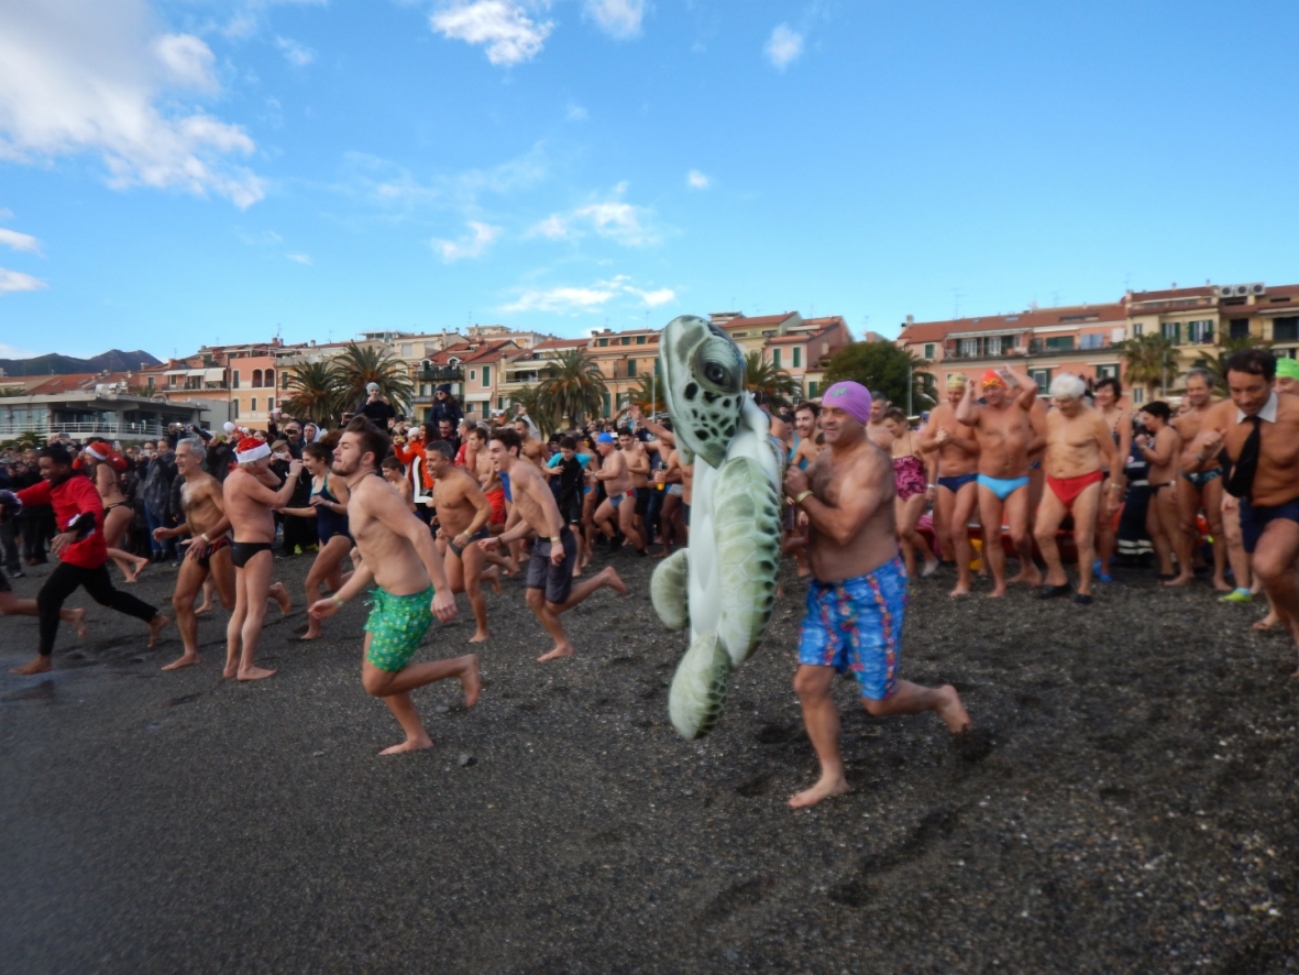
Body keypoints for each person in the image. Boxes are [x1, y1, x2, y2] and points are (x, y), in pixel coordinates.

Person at [782, 382, 970, 809]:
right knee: (809, 684)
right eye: (825, 410)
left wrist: (801, 493)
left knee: (878, 701)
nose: (828, 419)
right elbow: (792, 497)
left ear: (861, 417)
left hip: (871, 589)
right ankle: (833, 776)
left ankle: (941, 697)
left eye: (839, 413)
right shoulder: (826, 458)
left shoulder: (871, 464)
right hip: (825, 591)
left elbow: (844, 528)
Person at [307, 418, 477, 754]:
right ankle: (417, 737)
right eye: (338, 446)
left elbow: (419, 532)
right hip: (387, 598)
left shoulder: (372, 492)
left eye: (346, 447)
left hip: (409, 602)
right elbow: (373, 556)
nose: (336, 452)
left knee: (375, 682)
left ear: (367, 458)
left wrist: (443, 589)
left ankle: (462, 665)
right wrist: (339, 599)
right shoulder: (359, 494)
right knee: (381, 672)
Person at [3, 446, 170, 675]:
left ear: (62, 467)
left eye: (45, 467)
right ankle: (154, 617)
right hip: (85, 550)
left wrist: (72, 532)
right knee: (105, 595)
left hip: (83, 550)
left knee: (48, 598)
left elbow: (93, 509)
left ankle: (44, 658)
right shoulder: (54, 484)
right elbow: (20, 497)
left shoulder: (78, 484)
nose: (41, 472)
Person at [1185, 350, 1299, 674]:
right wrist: (1202, 453)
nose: (1245, 398)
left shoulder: (1295, 412)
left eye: (1254, 390)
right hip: (1251, 506)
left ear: (1272, 382)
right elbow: (1186, 463)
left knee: (1269, 565)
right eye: (1236, 390)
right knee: (1280, 576)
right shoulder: (1219, 416)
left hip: (1292, 502)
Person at [478, 427, 627, 662]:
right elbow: (530, 519)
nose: (491, 456)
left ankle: (604, 578)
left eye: (496, 451)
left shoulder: (521, 473)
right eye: (490, 451)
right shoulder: (513, 474)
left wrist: (557, 543)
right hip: (542, 542)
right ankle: (563, 645)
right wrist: (499, 539)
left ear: (512, 450)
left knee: (555, 604)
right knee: (533, 598)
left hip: (558, 541)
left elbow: (548, 503)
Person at [149, 437, 240, 670]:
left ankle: (271, 590)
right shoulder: (183, 485)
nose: (176, 459)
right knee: (181, 600)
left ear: (198, 459)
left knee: (230, 602)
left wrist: (206, 538)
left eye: (182, 455)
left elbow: (230, 516)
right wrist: (171, 532)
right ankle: (191, 653)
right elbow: (195, 522)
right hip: (197, 544)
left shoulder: (210, 483)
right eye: (177, 455)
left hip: (218, 544)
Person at [1032, 374, 1120, 605]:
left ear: (1080, 397)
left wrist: (1114, 490)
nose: (1060, 405)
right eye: (1057, 400)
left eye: (1066, 401)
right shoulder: (1052, 417)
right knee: (1042, 532)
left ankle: (1085, 587)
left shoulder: (1094, 420)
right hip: (1055, 480)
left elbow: (1113, 455)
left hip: (1086, 480)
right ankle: (1060, 580)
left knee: (1083, 537)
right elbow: (1047, 449)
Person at [956, 367, 1043, 597]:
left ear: (1004, 388)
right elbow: (961, 416)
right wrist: (968, 390)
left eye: (995, 387)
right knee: (992, 534)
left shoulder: (1020, 406)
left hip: (1017, 480)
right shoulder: (979, 413)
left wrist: (1012, 372)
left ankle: (1028, 565)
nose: (992, 393)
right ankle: (1000, 584)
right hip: (988, 480)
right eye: (987, 389)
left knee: (1019, 535)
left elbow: (1032, 386)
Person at [222, 437, 301, 680]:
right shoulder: (245, 480)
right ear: (254, 460)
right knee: (257, 610)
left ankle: (232, 664)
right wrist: (294, 474)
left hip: (241, 546)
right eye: (267, 457)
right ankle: (246, 667)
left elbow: (273, 481)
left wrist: (264, 466)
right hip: (255, 548)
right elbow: (279, 500)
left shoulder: (236, 477)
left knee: (241, 610)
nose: (271, 460)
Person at [277, 441, 354, 642]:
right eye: (303, 460)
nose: (305, 464)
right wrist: (286, 510)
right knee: (336, 584)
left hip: (339, 534)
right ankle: (370, 569)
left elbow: (350, 507)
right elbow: (314, 511)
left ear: (321, 459)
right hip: (324, 535)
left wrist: (327, 502)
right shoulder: (314, 480)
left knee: (311, 583)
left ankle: (314, 629)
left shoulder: (334, 478)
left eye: (308, 460)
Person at [425, 440, 497, 643]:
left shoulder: (463, 481)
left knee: (471, 586)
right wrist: (441, 524)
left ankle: (483, 630)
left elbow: (486, 509)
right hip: (452, 539)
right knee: (454, 586)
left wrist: (467, 533)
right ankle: (489, 574)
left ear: (446, 460)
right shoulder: (438, 480)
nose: (428, 464)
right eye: (426, 460)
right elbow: (449, 507)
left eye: (432, 460)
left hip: (473, 536)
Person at [918, 373, 981, 597]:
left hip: (969, 476)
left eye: (958, 393)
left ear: (966, 393)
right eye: (951, 393)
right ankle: (970, 564)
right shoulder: (938, 412)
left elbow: (979, 448)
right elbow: (923, 446)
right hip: (945, 478)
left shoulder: (974, 412)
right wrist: (937, 442)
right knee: (944, 532)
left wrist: (953, 440)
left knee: (958, 528)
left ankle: (964, 580)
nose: (954, 398)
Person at [1170, 369, 1229, 590]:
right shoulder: (1182, 419)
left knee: (1216, 525)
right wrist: (1174, 480)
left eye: (1199, 388)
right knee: (1185, 525)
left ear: (1210, 389)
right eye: (1191, 389)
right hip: (1186, 474)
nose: (1194, 393)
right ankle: (1186, 571)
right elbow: (1178, 450)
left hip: (1213, 471)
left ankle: (1219, 576)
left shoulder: (1221, 412)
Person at [82, 440, 151, 583]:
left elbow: (103, 491)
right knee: (112, 547)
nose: (86, 457)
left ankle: (138, 560)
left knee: (100, 547)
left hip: (116, 508)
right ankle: (129, 576)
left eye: (89, 454)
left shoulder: (101, 467)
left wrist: (88, 485)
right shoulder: (107, 466)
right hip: (122, 507)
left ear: (96, 455)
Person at [882, 407, 938, 578]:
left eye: (892, 426)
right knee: (901, 532)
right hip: (900, 490)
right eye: (888, 427)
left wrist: (931, 487)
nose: (890, 430)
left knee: (906, 530)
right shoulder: (894, 443)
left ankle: (930, 558)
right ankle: (910, 571)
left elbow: (932, 463)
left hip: (917, 488)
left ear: (903, 423)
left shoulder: (916, 440)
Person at [1092, 378, 1132, 582]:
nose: (1103, 394)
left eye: (1107, 391)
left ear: (1116, 395)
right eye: (1100, 390)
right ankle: (1095, 557)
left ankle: (1105, 565)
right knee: (1087, 521)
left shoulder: (1122, 418)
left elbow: (1124, 451)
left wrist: (1115, 477)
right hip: (1090, 473)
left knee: (1104, 521)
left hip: (1111, 473)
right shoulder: (1090, 415)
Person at [1135, 402, 1179, 580]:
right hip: (1157, 486)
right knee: (1153, 527)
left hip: (1167, 485)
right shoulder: (1160, 434)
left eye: (1147, 418)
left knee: (1172, 529)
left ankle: (1185, 568)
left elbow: (1161, 459)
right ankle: (1167, 568)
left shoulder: (1166, 433)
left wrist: (1143, 446)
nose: (1144, 423)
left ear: (1159, 417)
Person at [592, 433, 646, 554]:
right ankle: (614, 539)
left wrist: (595, 475)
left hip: (626, 494)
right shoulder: (607, 457)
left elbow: (614, 474)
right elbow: (604, 471)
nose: (597, 448)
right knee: (598, 517)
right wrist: (591, 473)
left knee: (625, 526)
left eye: (599, 445)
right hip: (613, 496)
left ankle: (641, 550)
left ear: (607, 445)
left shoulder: (617, 455)